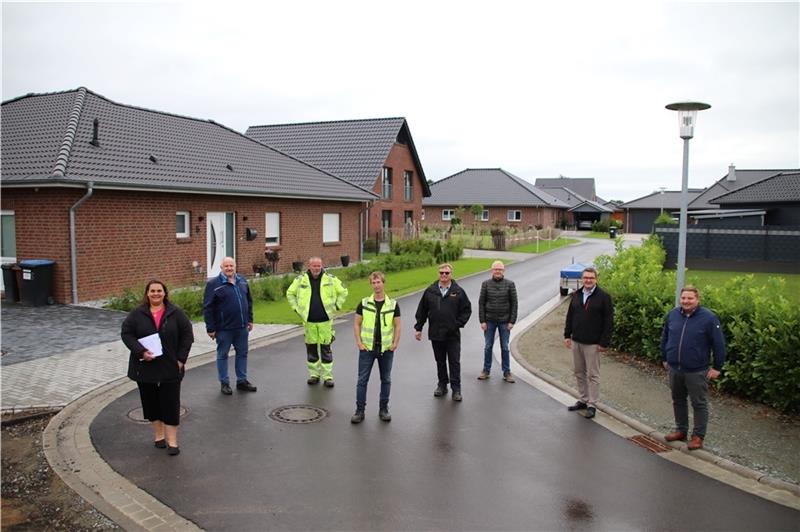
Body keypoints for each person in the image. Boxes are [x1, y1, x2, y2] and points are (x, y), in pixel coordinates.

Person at [121, 280, 194, 456]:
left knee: (170, 403)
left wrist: (181, 359)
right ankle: (159, 435)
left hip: (170, 366)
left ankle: (173, 441)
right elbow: (126, 334)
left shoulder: (175, 313)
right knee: (151, 402)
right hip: (145, 366)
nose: (155, 294)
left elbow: (187, 335)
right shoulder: (137, 314)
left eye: (159, 291)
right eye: (152, 291)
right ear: (147, 293)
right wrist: (140, 351)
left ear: (165, 293)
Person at [661, 285, 726, 451]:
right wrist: (664, 357)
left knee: (699, 403)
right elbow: (665, 337)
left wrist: (717, 367)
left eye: (690, 298)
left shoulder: (709, 318)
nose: (686, 301)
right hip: (675, 368)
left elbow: (718, 344)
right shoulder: (673, 315)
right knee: (678, 400)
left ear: (697, 300)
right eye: (683, 298)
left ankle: (698, 436)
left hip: (696, 370)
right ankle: (681, 430)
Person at [286, 256, 348, 387]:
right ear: (309, 266)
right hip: (309, 322)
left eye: (318, 266)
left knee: (326, 349)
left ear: (322, 266)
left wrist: (337, 306)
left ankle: (327, 377)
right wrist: (296, 309)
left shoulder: (330, 279)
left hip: (325, 321)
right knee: (312, 350)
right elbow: (290, 293)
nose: (316, 268)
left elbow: (343, 292)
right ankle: (314, 375)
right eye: (314, 266)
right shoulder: (301, 279)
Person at [414, 263, 472, 402]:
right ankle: (442, 385)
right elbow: (422, 310)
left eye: (446, 273)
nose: (444, 275)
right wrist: (418, 328)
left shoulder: (458, 291)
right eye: (441, 273)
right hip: (436, 333)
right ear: (438, 274)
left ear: (451, 274)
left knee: (454, 362)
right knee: (440, 361)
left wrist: (457, 324)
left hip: (452, 335)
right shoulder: (430, 291)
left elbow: (466, 310)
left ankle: (456, 389)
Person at [563, 266, 614, 419]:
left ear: (596, 279)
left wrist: (604, 342)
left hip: (593, 343)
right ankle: (583, 399)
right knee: (579, 372)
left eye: (591, 278)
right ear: (582, 279)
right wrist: (567, 334)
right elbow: (570, 316)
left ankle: (592, 404)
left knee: (593, 375)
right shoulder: (577, 295)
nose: (588, 280)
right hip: (577, 341)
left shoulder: (604, 297)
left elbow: (609, 321)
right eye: (585, 278)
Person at [351, 271, 401, 424]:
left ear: (383, 283)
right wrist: (359, 343)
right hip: (367, 349)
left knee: (385, 379)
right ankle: (360, 411)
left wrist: (395, 344)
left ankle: (383, 409)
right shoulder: (364, 303)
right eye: (374, 283)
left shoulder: (392, 304)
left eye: (379, 282)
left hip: (386, 349)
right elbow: (357, 323)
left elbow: (397, 326)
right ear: (371, 285)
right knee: (362, 380)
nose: (376, 285)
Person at [203, 257, 257, 395]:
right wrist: (210, 328)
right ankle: (224, 383)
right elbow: (208, 308)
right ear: (221, 267)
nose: (229, 268)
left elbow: (249, 301)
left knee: (242, 354)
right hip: (223, 328)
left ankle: (242, 381)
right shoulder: (214, 284)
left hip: (241, 327)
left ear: (235, 266)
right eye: (226, 266)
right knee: (222, 355)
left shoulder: (242, 281)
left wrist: (250, 319)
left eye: (231, 265)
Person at [478, 260, 518, 383]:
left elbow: (514, 304)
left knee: (505, 347)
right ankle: (486, 370)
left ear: (503, 271)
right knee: (488, 346)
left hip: (505, 321)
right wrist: (482, 321)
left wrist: (512, 321)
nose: (497, 271)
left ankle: (507, 372)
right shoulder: (485, 284)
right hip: (489, 321)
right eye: (495, 269)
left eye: (500, 269)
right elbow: (481, 303)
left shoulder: (510, 284)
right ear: (492, 270)